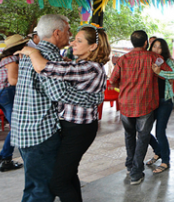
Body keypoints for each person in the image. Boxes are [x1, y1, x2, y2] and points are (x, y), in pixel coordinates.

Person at [17, 24, 111, 202]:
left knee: (58, 182)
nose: (73, 43)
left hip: (79, 130)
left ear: (93, 46)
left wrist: (33, 52)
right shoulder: (83, 65)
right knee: (68, 175)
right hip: (73, 128)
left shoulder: (89, 67)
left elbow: (44, 68)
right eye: (74, 38)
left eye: (79, 40)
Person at [109, 30, 170, 185]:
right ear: (146, 43)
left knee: (129, 135)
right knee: (142, 138)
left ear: (132, 42)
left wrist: (121, 87)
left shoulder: (123, 59)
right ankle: (136, 173)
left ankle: (130, 166)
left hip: (126, 105)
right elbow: (168, 74)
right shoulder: (154, 58)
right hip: (146, 105)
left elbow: (112, 81)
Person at [145, 38, 174, 174]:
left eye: (159, 48)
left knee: (160, 132)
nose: (156, 50)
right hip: (150, 100)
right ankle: (158, 151)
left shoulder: (167, 61)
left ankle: (165, 161)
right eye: (154, 47)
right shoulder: (147, 61)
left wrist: (160, 72)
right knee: (143, 130)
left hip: (164, 101)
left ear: (164, 50)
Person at [0, 35, 28, 172]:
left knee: (16, 125)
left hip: (4, 94)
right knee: (17, 126)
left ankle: (5, 157)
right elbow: (13, 80)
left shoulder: (5, 59)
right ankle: (5, 158)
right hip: (9, 93)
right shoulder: (13, 60)